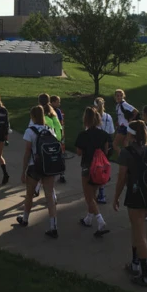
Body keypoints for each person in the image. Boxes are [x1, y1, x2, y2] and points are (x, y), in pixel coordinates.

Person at [112, 120, 147, 287]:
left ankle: (146, 275)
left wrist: (116, 197)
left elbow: (122, 177)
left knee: (140, 235)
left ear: (130, 135)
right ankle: (135, 263)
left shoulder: (126, 152)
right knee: (137, 230)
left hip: (135, 195)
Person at [17, 105, 59, 239]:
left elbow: (27, 152)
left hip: (34, 166)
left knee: (29, 194)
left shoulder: (30, 131)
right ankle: (53, 226)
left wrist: (23, 171)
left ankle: (25, 219)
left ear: (33, 117)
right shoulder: (50, 130)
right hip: (48, 167)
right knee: (49, 197)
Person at [75, 106, 111, 237]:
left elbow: (79, 152)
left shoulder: (83, 135)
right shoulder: (104, 135)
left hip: (87, 167)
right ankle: (88, 219)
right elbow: (106, 152)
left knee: (89, 197)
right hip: (100, 169)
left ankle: (100, 220)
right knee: (93, 195)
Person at [32, 94, 63, 202]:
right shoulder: (53, 114)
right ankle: (39, 190)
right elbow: (59, 128)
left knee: (43, 170)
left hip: (42, 146)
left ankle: (50, 196)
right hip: (54, 144)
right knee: (49, 170)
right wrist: (58, 140)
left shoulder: (40, 115)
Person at [94, 97, 116, 204]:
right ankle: (102, 191)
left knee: (95, 168)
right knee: (103, 167)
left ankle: (97, 192)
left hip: (96, 145)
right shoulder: (108, 117)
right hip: (107, 145)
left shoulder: (93, 117)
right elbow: (112, 132)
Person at [51, 95, 67, 184]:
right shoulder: (57, 111)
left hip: (54, 136)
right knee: (60, 154)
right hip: (58, 136)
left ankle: (61, 174)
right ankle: (62, 174)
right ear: (52, 102)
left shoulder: (55, 111)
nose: (59, 103)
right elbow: (61, 124)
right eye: (58, 102)